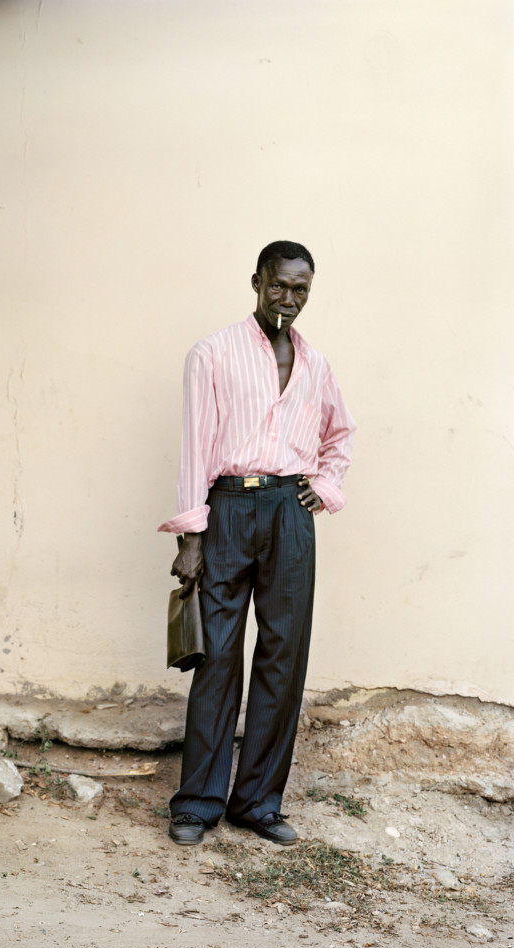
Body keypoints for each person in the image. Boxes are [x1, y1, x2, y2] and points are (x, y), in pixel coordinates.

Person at [158, 240, 355, 847]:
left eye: (300, 289)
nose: (287, 299)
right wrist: (192, 535)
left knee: (283, 658)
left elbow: (340, 434)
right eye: (278, 285)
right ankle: (197, 804)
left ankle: (258, 803)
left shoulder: (316, 365)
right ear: (256, 282)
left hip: (290, 515)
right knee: (217, 656)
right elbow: (195, 447)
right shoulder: (212, 353)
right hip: (228, 509)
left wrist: (324, 486)